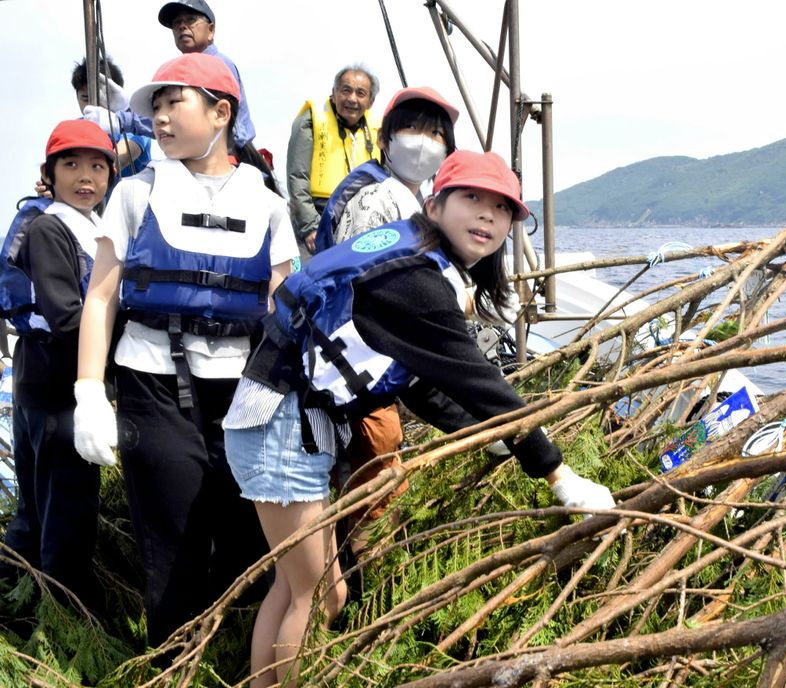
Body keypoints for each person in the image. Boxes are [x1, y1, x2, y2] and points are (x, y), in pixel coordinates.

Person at [222, 149, 616, 686]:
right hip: (281, 423)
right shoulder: (416, 278)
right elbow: (479, 381)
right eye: (471, 199)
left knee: (296, 588)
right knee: (319, 598)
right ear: (435, 205)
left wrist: (482, 434)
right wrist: (557, 473)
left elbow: (417, 379)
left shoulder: (418, 260)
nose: (487, 216)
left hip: (287, 420)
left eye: (502, 209)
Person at [71, 53, 297, 649]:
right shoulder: (135, 194)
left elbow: (285, 308)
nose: (161, 119)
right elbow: (101, 297)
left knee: (247, 537)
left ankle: (230, 654)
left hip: (245, 390)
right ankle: (172, 658)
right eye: (157, 109)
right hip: (150, 382)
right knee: (171, 544)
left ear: (221, 112)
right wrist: (89, 393)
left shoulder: (268, 203)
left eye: (175, 103)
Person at [315, 85, 459, 550]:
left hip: (387, 366)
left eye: (435, 134)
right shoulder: (375, 198)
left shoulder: (417, 202)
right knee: (374, 472)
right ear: (386, 138)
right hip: (360, 367)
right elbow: (370, 293)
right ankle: (361, 575)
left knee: (381, 469)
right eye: (412, 128)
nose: (423, 141)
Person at [1, 120, 116, 612]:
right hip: (56, 396)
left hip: (39, 387)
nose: (85, 177)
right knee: (65, 517)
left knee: (34, 512)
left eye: (97, 166)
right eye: (71, 165)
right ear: (48, 173)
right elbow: (69, 316)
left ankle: (14, 608)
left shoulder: (88, 224)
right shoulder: (51, 227)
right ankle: (65, 624)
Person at [84, 0, 256, 150]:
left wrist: (121, 120)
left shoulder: (216, 66)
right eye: (177, 23)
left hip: (229, 162)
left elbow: (184, 122)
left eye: (190, 19)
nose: (182, 26)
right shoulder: (184, 69)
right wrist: (128, 109)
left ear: (210, 30)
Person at [286, 65, 380, 255]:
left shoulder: (380, 130)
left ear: (370, 101)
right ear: (334, 93)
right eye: (346, 90)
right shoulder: (311, 120)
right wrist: (310, 227)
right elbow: (297, 176)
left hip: (362, 222)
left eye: (360, 93)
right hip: (318, 217)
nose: (352, 98)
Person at [72, 57, 152, 178]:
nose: (93, 105)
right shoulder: (73, 129)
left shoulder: (134, 126)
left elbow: (121, 159)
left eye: (102, 99)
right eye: (85, 98)